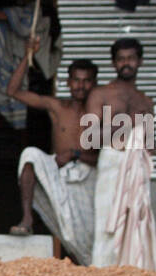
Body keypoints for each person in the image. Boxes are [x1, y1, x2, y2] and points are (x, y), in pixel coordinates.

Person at [6, 34, 99, 264]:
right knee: (30, 155)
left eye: (86, 81)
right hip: (58, 171)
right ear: (68, 82)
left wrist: (75, 154)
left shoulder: (99, 112)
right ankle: (27, 220)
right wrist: (29, 55)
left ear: (94, 84)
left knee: (86, 238)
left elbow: (104, 156)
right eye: (76, 80)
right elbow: (13, 91)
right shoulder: (56, 106)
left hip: (88, 177)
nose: (80, 85)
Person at [83, 38, 156, 274]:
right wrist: (127, 124)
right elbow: (89, 137)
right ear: (113, 63)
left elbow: (152, 144)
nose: (126, 63)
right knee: (107, 225)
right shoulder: (101, 94)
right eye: (121, 59)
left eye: (131, 58)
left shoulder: (145, 100)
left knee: (138, 224)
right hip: (112, 161)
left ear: (140, 61)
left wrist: (147, 137)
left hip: (137, 167)